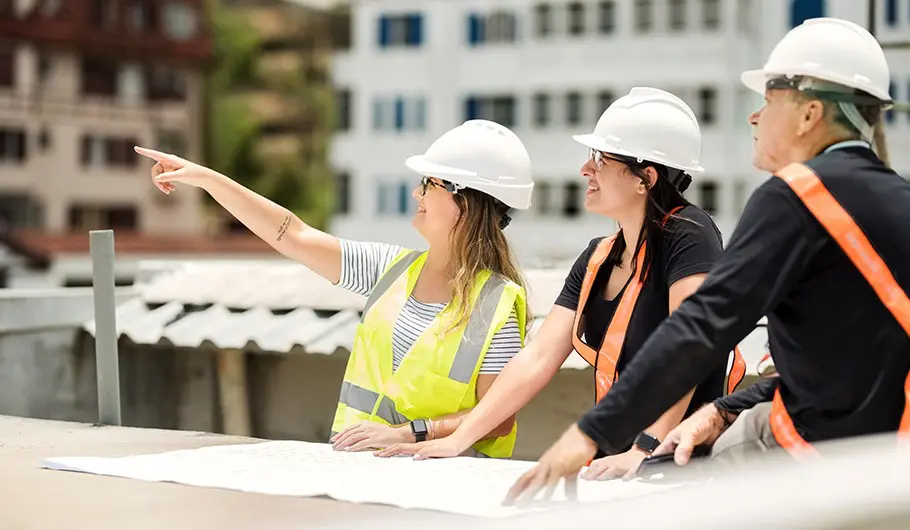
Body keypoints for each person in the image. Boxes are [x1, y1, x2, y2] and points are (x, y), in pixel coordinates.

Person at [504, 17, 909, 505]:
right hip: (887, 457)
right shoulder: (896, 200)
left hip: (826, 467)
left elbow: (700, 330)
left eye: (769, 101)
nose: (753, 118)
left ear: (809, 115)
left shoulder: (796, 197)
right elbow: (844, 368)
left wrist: (587, 434)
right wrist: (723, 410)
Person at [376, 87, 745, 479]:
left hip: (681, 462)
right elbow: (537, 358)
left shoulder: (690, 235)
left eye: (601, 159)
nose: (586, 170)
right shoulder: (597, 257)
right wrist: (458, 437)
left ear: (646, 178)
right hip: (615, 461)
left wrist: (645, 448)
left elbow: (692, 348)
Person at [135, 119, 537, 459]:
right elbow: (292, 234)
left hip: (446, 492)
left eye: (428, 183)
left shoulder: (495, 304)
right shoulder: (390, 270)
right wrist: (206, 179)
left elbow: (498, 418)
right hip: (359, 473)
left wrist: (410, 434)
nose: (417, 193)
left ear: (463, 202)